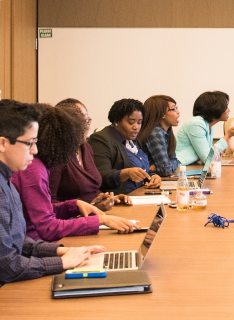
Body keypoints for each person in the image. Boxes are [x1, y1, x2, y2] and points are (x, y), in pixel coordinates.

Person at [0, 99, 103, 294]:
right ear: (2, 143)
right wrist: (62, 263)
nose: (35, 150)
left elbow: (17, 240)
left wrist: (60, 251)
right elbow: (6, 266)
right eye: (30, 143)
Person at [12, 104, 138, 242]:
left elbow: (43, 209)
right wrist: (101, 220)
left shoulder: (40, 165)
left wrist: (74, 205)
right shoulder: (34, 169)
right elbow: (47, 227)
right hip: (38, 243)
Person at [48, 98, 124, 209]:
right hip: (73, 218)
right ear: (66, 124)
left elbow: (91, 189)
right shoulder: (57, 155)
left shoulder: (86, 148)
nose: (87, 126)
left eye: (87, 121)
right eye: (81, 121)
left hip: (94, 214)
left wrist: (107, 198)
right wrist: (87, 208)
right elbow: (50, 203)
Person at [89, 99, 162, 194]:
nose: (136, 127)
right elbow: (100, 177)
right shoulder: (101, 139)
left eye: (139, 122)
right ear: (116, 121)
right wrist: (125, 173)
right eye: (131, 122)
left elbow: (141, 168)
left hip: (140, 194)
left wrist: (153, 176)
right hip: (118, 198)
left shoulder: (133, 140)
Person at [176, 91, 234, 167]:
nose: (229, 110)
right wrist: (228, 136)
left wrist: (215, 153)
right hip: (180, 167)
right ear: (216, 108)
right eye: (226, 106)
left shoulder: (209, 124)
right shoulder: (196, 124)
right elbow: (208, 159)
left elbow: (209, 154)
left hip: (192, 165)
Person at [140, 95, 182, 177]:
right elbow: (166, 171)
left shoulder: (166, 132)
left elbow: (175, 160)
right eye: (173, 109)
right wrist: (167, 166)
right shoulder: (155, 133)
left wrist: (166, 165)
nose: (178, 112)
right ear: (162, 114)